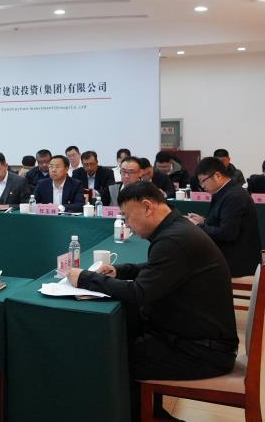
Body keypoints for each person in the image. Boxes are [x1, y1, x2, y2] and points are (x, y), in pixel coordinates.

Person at [67, 181, 238, 422]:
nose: (127, 225)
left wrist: (86, 278)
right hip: (195, 339)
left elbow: (139, 293)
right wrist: (121, 270)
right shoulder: (177, 229)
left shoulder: (174, 240)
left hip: (201, 352)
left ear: (147, 207)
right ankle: (151, 414)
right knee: (126, 338)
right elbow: (158, 268)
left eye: (127, 217)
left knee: (110, 358)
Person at [186, 157, 261, 277]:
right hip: (230, 255)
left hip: (237, 262)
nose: (202, 186)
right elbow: (224, 220)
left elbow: (227, 233)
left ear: (218, 176)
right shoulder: (226, 191)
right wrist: (204, 221)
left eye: (203, 181)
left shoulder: (234, 196)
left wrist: (198, 226)